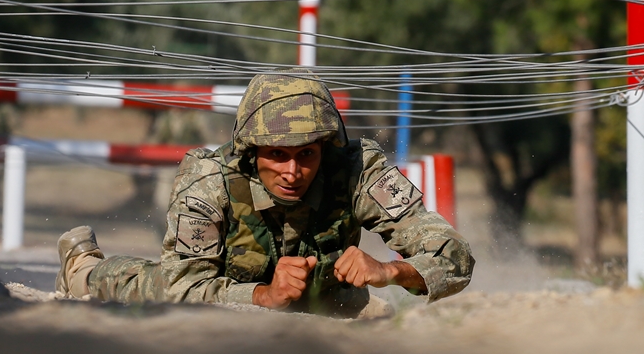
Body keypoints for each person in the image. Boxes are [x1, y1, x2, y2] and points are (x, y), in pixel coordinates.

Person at [54, 71, 474, 317]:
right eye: (277, 154)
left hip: (325, 302)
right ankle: (83, 269)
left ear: (326, 149)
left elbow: (454, 255)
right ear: (251, 152)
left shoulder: (358, 169)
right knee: (155, 286)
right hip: (226, 291)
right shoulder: (209, 179)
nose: (292, 172)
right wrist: (262, 295)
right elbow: (183, 287)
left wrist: (392, 271)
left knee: (370, 311)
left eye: (307, 155)